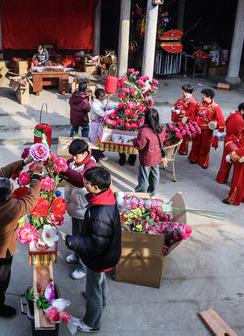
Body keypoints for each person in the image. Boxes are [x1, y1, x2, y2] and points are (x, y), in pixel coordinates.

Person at [0, 154, 41, 318]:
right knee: (0, 281)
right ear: (7, 197)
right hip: (1, 253)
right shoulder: (12, 210)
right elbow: (33, 198)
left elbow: (1, 172)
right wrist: (36, 174)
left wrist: (23, 162)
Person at [62, 167, 121, 333]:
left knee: (93, 288)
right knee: (98, 280)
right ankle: (102, 301)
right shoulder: (105, 198)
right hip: (107, 254)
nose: (84, 184)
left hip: (100, 257)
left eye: (87, 182)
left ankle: (92, 323)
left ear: (96, 187)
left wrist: (73, 241)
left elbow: (95, 245)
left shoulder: (101, 215)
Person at [62, 139, 97, 281]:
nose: (73, 158)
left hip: (83, 207)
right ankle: (77, 255)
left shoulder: (91, 165)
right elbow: (66, 164)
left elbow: (80, 180)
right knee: (76, 232)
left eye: (76, 155)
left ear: (85, 153)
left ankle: (83, 267)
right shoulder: (74, 161)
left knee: (83, 238)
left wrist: (64, 170)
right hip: (74, 205)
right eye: (72, 155)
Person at [215, 102, 244, 185]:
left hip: (229, 139)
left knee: (226, 161)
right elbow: (240, 132)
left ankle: (221, 178)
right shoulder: (239, 119)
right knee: (228, 162)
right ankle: (222, 178)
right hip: (232, 141)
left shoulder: (234, 115)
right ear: (242, 111)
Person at [132, 108, 167, 195]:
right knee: (155, 175)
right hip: (157, 156)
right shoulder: (162, 128)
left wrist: (134, 140)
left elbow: (140, 146)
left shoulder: (144, 131)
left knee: (144, 176)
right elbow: (162, 140)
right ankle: (152, 192)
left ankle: (141, 193)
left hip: (146, 158)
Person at [188, 88, 226, 169]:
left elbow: (220, 119)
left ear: (209, 97)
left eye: (204, 95)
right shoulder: (199, 104)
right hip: (197, 128)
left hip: (207, 130)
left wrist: (217, 127)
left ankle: (203, 162)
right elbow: (193, 114)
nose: (202, 97)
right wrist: (191, 123)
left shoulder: (215, 107)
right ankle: (193, 158)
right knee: (195, 143)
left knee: (205, 146)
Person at [88, 88, 114, 162]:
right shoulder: (94, 104)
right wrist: (113, 110)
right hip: (95, 124)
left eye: (104, 95)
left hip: (101, 123)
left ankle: (99, 154)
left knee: (102, 140)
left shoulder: (103, 101)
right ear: (97, 96)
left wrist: (117, 106)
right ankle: (95, 159)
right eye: (102, 96)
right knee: (94, 142)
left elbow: (108, 106)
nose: (103, 97)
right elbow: (102, 113)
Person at [171, 84, 197, 155]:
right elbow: (177, 104)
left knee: (184, 136)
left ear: (188, 92)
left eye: (184, 91)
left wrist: (180, 112)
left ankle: (183, 150)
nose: (183, 92)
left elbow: (191, 112)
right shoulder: (182, 97)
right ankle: (176, 147)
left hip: (185, 120)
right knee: (176, 134)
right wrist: (174, 107)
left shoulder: (192, 101)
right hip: (178, 119)